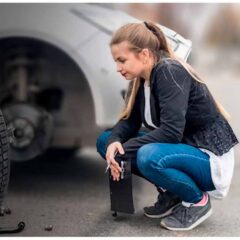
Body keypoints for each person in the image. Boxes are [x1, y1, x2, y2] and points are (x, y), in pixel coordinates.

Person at [96, 21, 238, 231]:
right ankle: (173, 193)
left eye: (122, 60)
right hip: (180, 150)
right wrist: (115, 143)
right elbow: (129, 122)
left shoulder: (169, 71)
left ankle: (196, 201)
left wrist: (124, 150)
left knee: (147, 155)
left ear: (144, 55)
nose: (118, 68)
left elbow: (171, 132)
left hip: (208, 158)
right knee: (105, 141)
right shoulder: (140, 79)